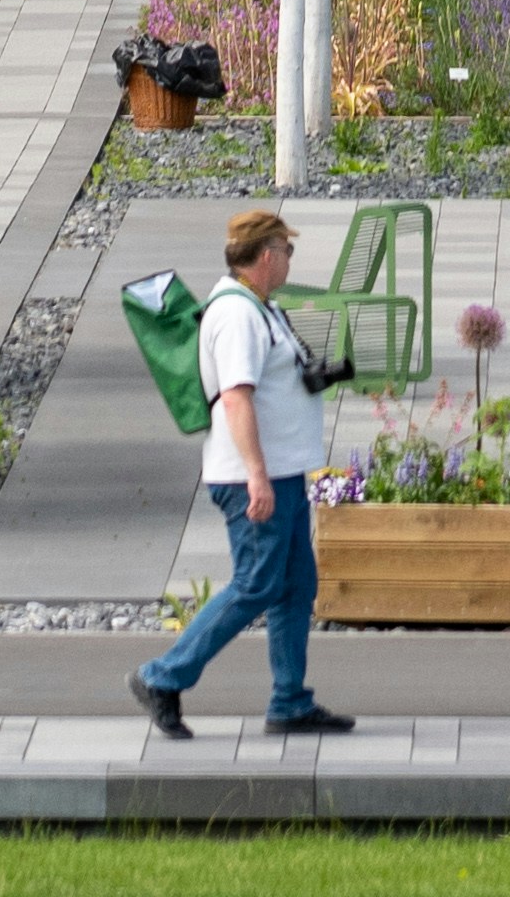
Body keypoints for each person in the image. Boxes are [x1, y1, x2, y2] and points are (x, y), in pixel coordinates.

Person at [133, 206, 360, 745]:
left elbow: (273, 382)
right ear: (265, 256)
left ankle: (290, 702)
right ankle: (161, 676)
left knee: (294, 586)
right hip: (252, 478)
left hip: (281, 473)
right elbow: (236, 399)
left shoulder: (261, 308)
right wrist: (257, 476)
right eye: (287, 251)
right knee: (257, 583)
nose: (289, 261)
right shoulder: (236, 315)